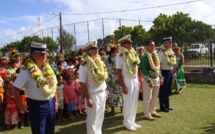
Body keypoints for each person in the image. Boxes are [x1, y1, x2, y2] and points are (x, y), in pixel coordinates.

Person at [12, 42, 58, 134]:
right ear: (33, 55)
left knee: (50, 131)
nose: (44, 57)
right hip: (37, 106)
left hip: (50, 104)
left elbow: (54, 85)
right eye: (40, 55)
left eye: (45, 54)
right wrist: (20, 104)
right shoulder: (27, 72)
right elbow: (15, 88)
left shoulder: (48, 68)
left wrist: (56, 101)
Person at [79, 40, 108, 134]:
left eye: (96, 48)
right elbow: (82, 84)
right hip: (92, 95)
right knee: (92, 119)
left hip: (102, 92)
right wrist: (88, 98)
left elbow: (103, 78)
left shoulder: (100, 62)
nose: (96, 50)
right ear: (87, 51)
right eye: (93, 49)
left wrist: (105, 91)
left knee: (100, 116)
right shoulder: (84, 65)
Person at [116, 35, 141, 131]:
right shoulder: (120, 56)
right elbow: (118, 72)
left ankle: (132, 121)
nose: (131, 44)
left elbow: (136, 69)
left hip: (134, 79)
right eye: (128, 43)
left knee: (134, 101)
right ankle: (127, 122)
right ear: (123, 44)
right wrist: (123, 85)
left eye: (131, 43)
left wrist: (137, 80)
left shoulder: (133, 54)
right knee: (128, 102)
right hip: (126, 80)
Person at [140, 40, 164, 121]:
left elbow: (158, 68)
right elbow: (144, 69)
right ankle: (147, 114)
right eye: (151, 45)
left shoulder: (155, 55)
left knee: (155, 96)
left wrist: (160, 77)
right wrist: (148, 81)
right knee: (147, 97)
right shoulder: (144, 56)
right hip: (149, 79)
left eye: (154, 45)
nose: (153, 47)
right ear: (147, 46)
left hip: (156, 78)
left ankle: (153, 111)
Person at [158, 37, 176, 112]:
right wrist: (161, 76)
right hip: (164, 72)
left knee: (168, 89)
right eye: (169, 42)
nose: (171, 44)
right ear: (165, 43)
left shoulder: (170, 51)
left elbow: (172, 61)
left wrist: (172, 72)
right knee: (163, 90)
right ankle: (163, 106)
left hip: (169, 71)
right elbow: (159, 65)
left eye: (171, 42)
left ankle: (167, 105)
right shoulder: (161, 52)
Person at [104, 42, 123, 114]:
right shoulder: (119, 57)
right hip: (118, 77)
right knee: (120, 93)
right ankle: (122, 108)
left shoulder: (106, 58)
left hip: (109, 79)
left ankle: (113, 109)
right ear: (115, 49)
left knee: (111, 93)